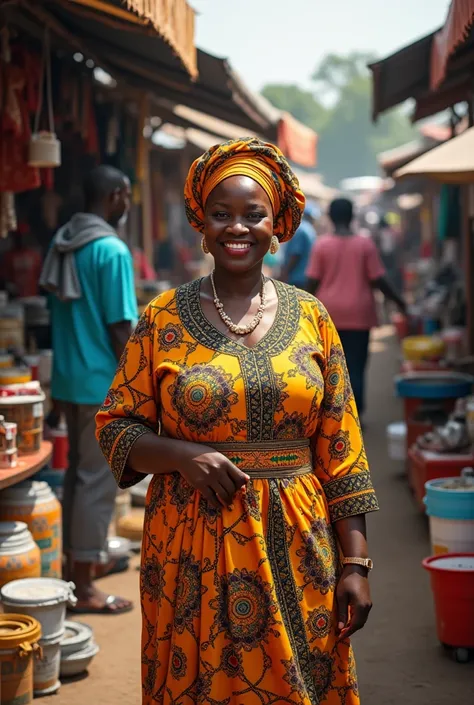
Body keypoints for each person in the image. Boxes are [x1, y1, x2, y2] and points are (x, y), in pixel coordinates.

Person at [96, 138, 379, 705]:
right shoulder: (162, 318)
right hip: (189, 546)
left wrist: (356, 562)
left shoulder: (312, 317)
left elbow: (341, 444)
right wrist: (181, 456)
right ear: (202, 223)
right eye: (222, 214)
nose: (238, 228)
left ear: (277, 224)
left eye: (254, 215)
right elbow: (114, 427)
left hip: (301, 547)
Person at [40, 165, 137, 614]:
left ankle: (77, 568)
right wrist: (142, 382)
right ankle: (84, 586)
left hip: (66, 379)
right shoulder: (111, 250)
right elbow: (121, 327)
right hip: (101, 382)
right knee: (96, 484)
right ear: (117, 196)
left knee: (78, 481)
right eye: (128, 197)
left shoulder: (65, 240)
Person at [306, 197, 406, 419]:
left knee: (329, 367)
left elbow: (312, 282)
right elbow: (379, 279)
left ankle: (333, 414)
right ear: (352, 216)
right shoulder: (364, 244)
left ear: (330, 217)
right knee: (357, 366)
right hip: (360, 314)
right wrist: (400, 302)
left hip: (328, 315)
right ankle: (355, 414)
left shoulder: (321, 245)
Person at [280, 201, 319, 288]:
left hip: (295, 277)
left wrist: (285, 273)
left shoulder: (301, 229)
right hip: (304, 277)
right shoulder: (311, 230)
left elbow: (295, 254)